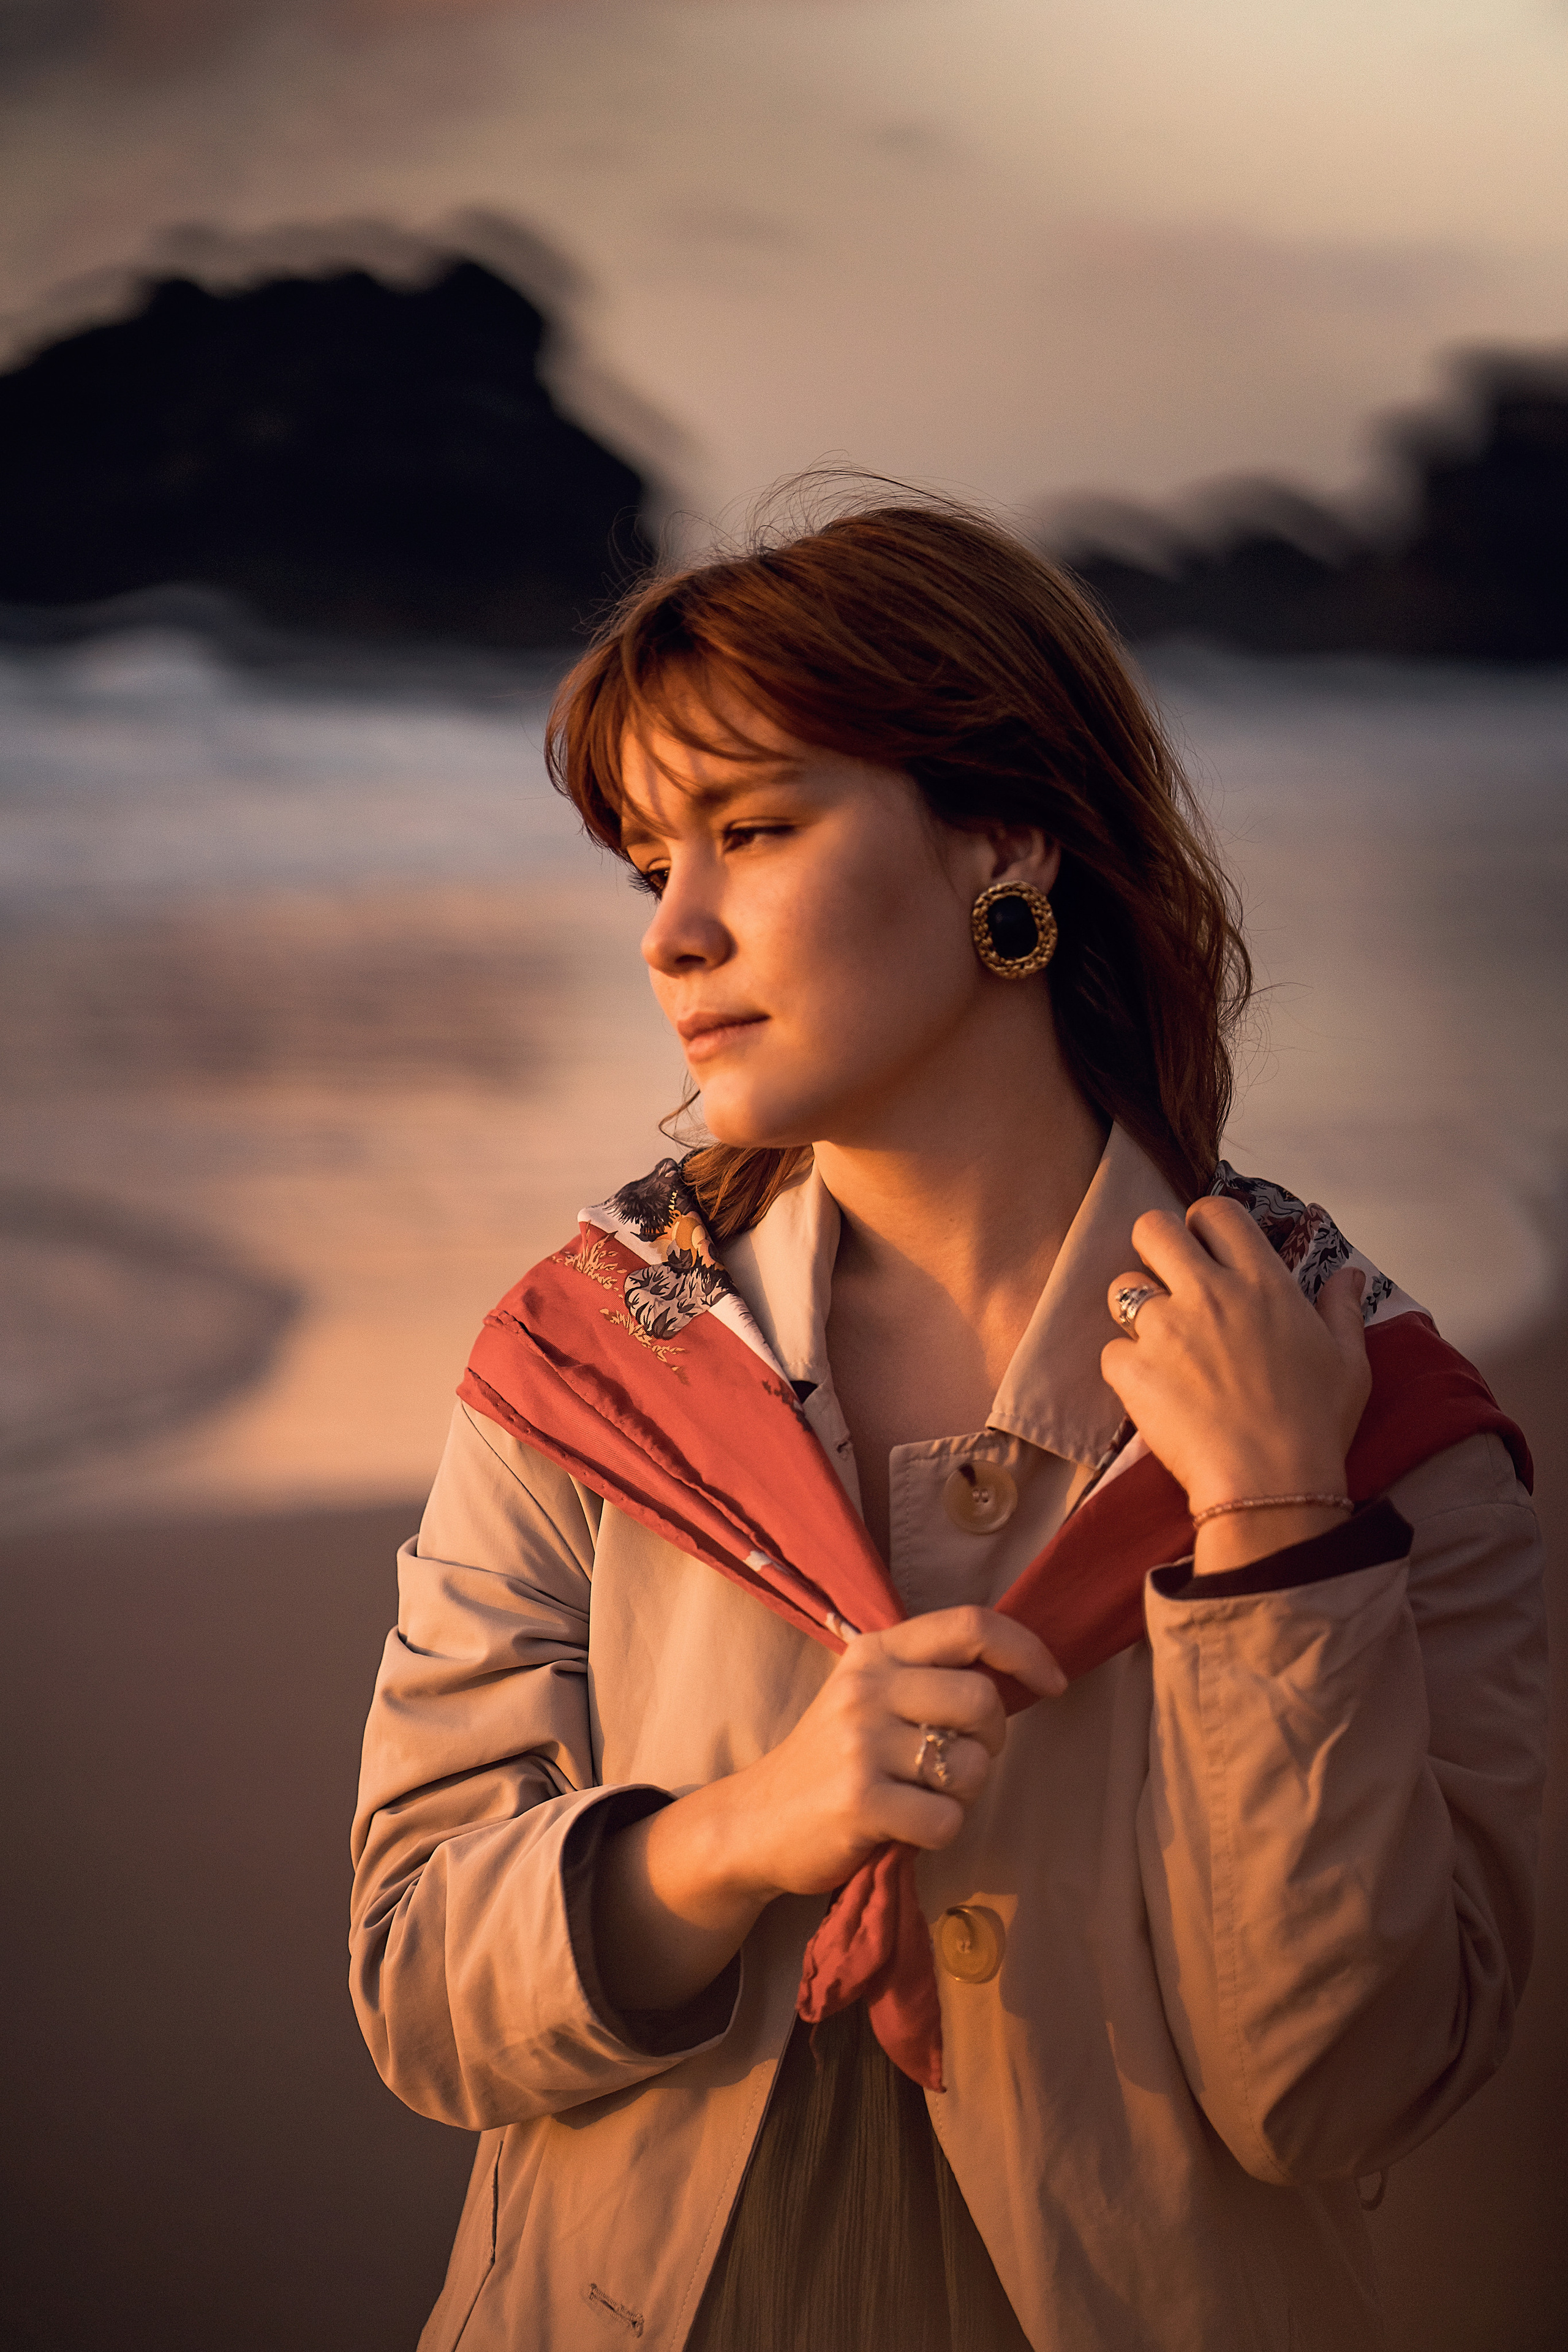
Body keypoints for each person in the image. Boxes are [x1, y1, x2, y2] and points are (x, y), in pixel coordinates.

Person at [350, 494, 1547, 2352]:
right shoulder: (590, 1365)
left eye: (751, 830)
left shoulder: (1384, 1432)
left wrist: (1274, 1538)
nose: (675, 932)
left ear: (1006, 834)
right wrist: (734, 1835)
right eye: (649, 860)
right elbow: (421, 1990)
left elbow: (1339, 2091)